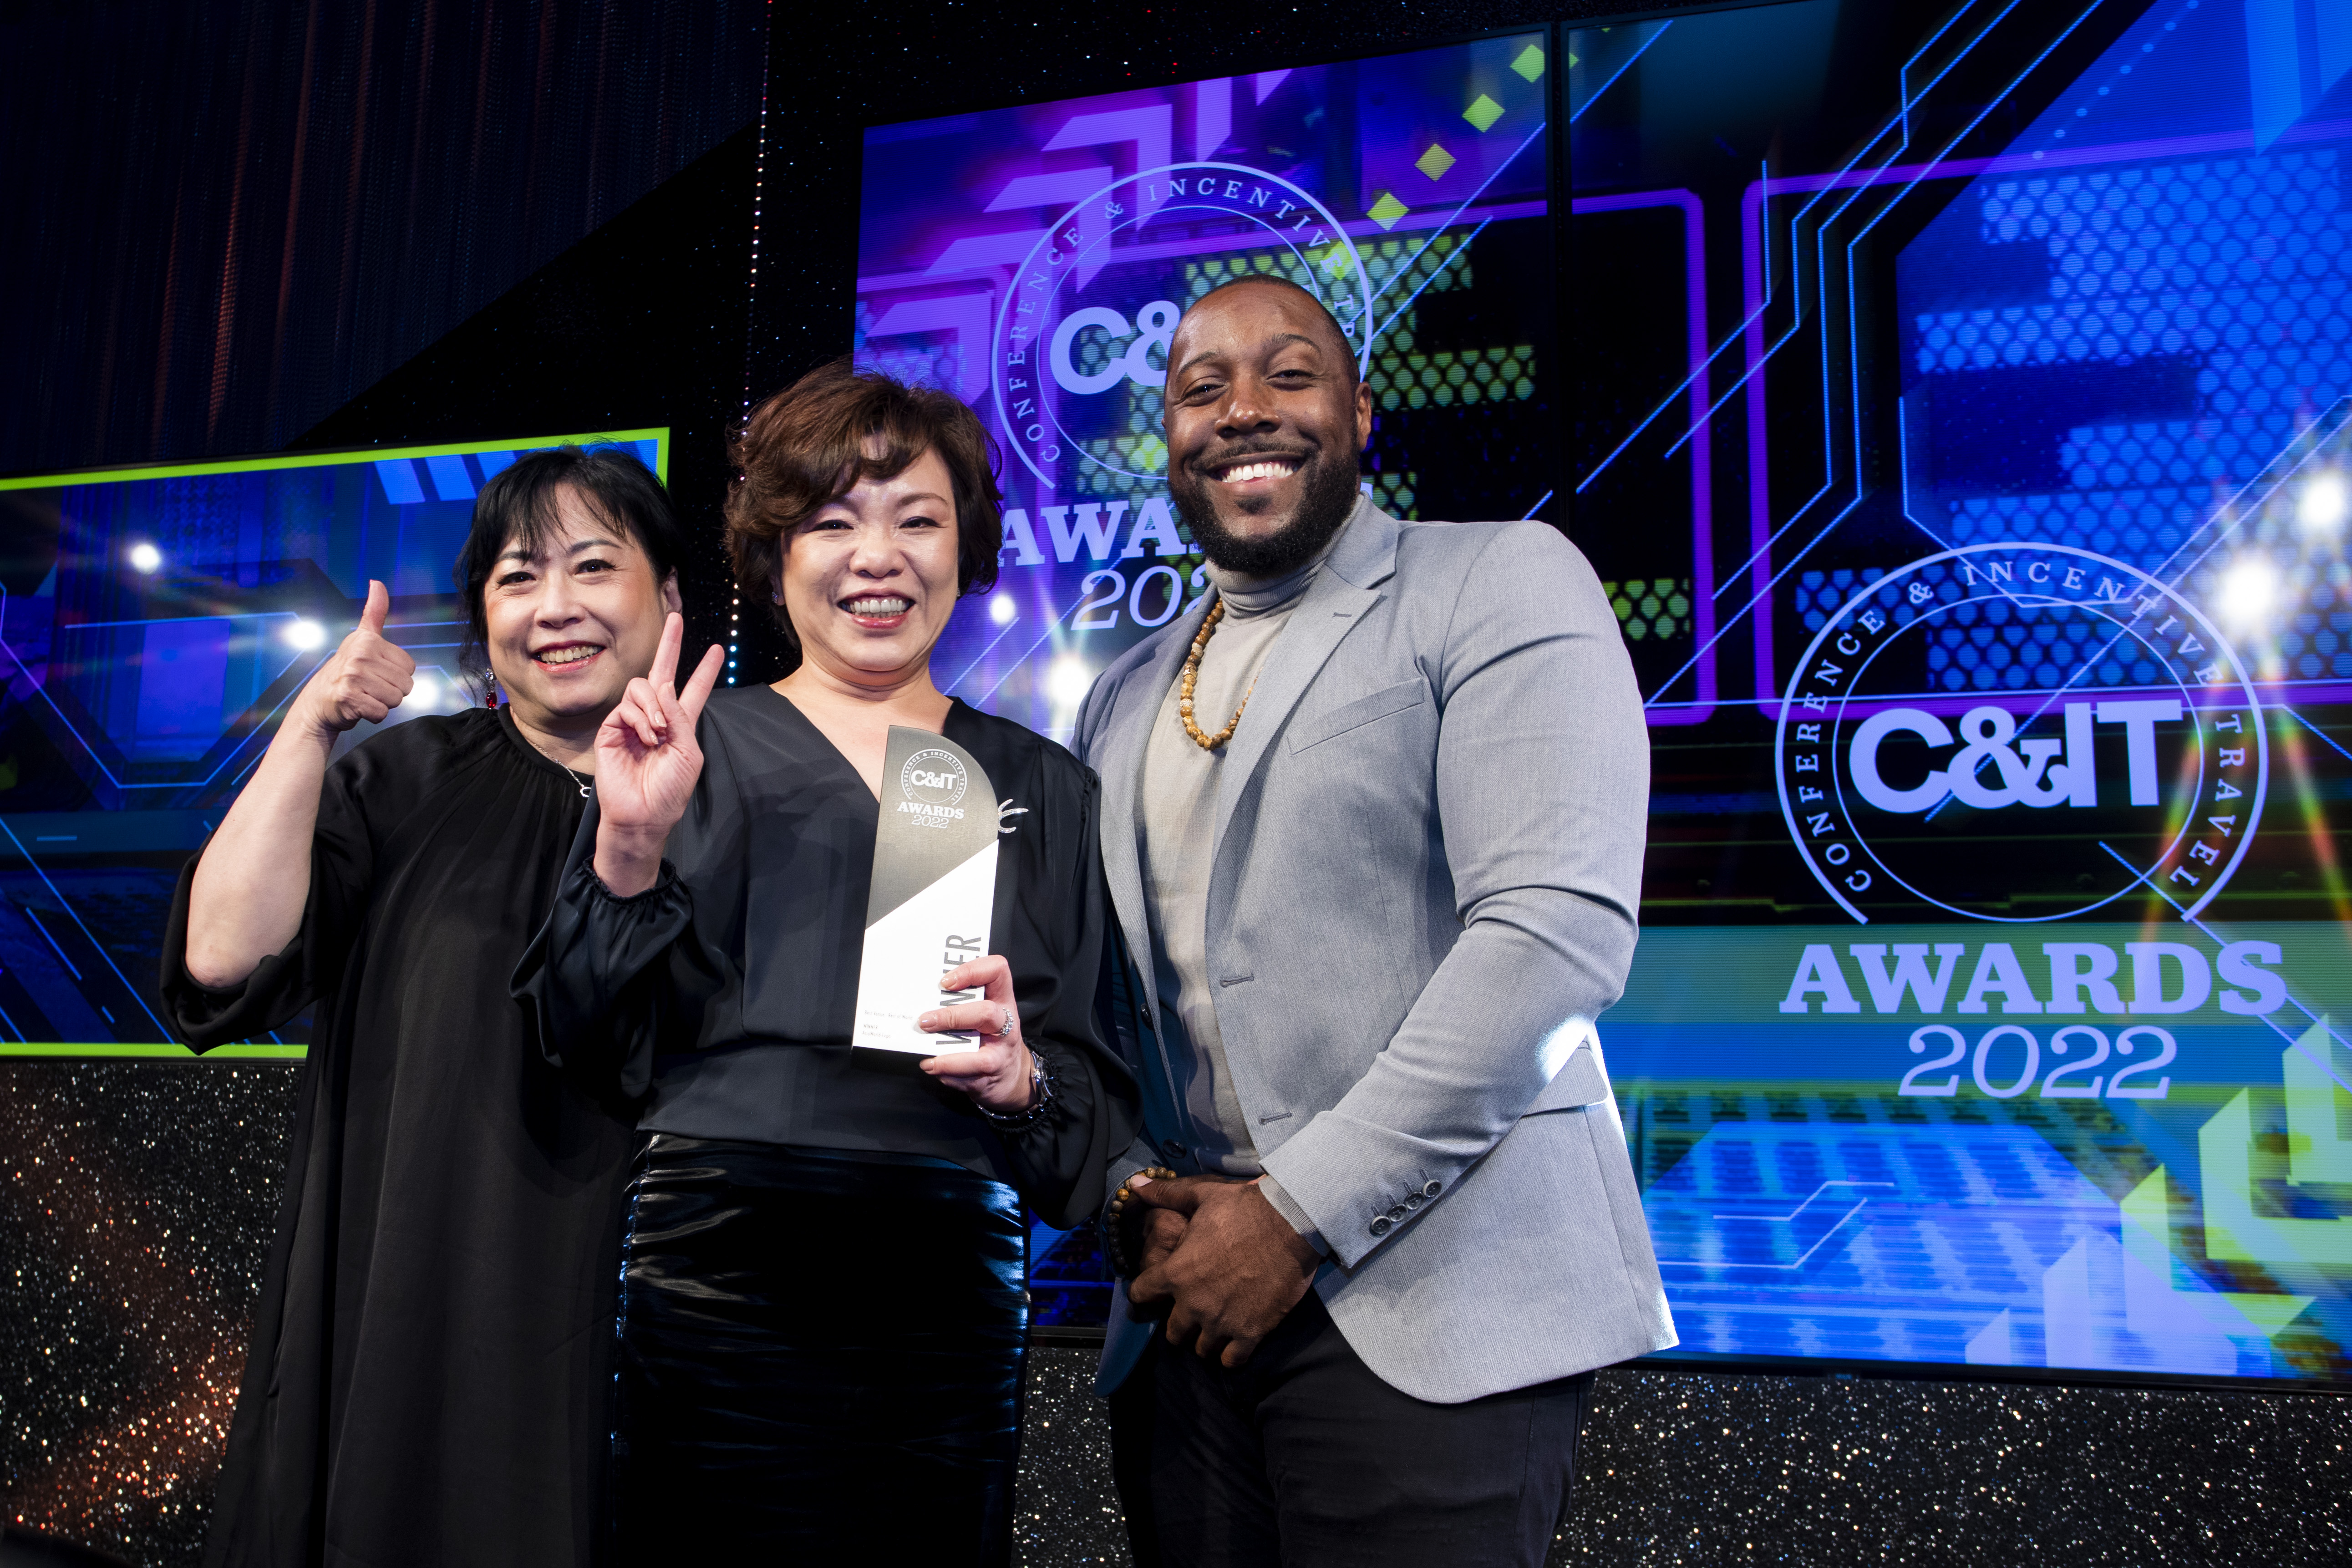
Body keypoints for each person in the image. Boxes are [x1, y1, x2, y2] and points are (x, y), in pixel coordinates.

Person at [1072, 274, 1676, 1568]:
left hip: (1436, 1300)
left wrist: (1291, 1215)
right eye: (1200, 388)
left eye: (1288, 375)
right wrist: (1131, 1188)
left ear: (1357, 412)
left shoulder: (1497, 578)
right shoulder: (1121, 692)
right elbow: (1102, 999)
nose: (1244, 409)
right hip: (1186, 1317)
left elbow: (1553, 934)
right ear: (1170, 438)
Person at [513, 361, 1137, 1563]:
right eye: (834, 521)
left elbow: (1086, 1130)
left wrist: (1022, 1082)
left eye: (918, 520)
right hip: (715, 1265)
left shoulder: (1045, 784)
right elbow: (578, 1042)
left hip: (946, 1281)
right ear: (775, 551)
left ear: (967, 548)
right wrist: (628, 841)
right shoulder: (684, 748)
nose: (878, 557)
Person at [162, 446, 697, 1567]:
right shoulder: (403, 779)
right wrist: (310, 726)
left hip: (655, 1326)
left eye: (594, 567)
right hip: (410, 1292)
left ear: (671, 597)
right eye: (518, 576)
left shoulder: (740, 797)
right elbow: (219, 961)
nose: (556, 606)